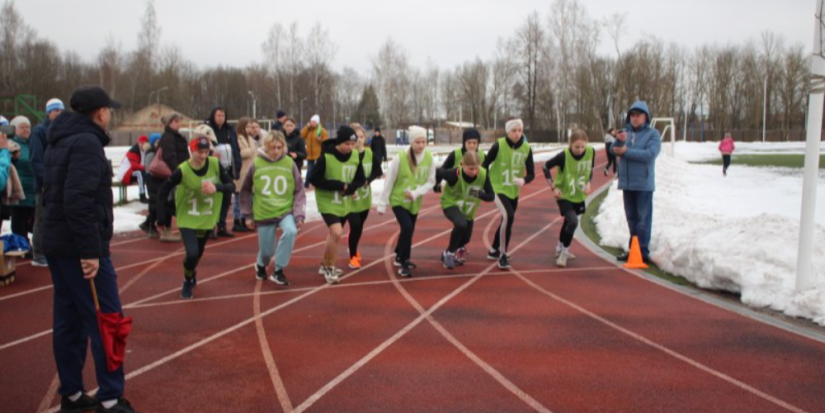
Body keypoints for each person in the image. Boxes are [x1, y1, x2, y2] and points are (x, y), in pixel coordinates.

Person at [42, 85, 140, 413]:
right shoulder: (86, 142)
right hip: (79, 247)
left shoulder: (60, 139)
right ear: (99, 113)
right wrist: (90, 251)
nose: (110, 114)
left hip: (58, 244)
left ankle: (70, 393)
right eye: (108, 110)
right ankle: (111, 398)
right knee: (107, 319)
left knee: (69, 320)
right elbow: (78, 200)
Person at [156, 136, 235, 299]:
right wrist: (161, 218)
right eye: (200, 152)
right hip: (187, 217)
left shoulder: (214, 164)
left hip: (206, 217)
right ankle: (187, 280)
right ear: (191, 151)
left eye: (206, 152)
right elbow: (163, 190)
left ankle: (190, 271)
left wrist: (216, 187)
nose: (203, 156)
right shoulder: (182, 170)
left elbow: (231, 185)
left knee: (197, 254)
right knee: (191, 253)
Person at [240, 131, 306, 286]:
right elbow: (246, 189)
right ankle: (261, 264)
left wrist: (299, 214)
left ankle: (278, 271)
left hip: (285, 210)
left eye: (279, 147)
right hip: (264, 212)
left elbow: (299, 190)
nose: (276, 151)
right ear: (266, 147)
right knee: (267, 252)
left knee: (291, 231)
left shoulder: (289, 163)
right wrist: (248, 214)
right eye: (273, 148)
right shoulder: (256, 164)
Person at [377, 127, 436, 277]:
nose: (421, 145)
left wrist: (416, 193)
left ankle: (398, 254)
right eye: (417, 142)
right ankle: (404, 261)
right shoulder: (400, 157)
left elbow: (431, 182)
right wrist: (382, 203)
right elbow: (389, 181)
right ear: (411, 142)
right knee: (407, 228)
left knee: (408, 230)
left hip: (414, 202)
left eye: (424, 142)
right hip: (398, 200)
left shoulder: (429, 158)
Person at [309, 125, 365, 283]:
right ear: (339, 142)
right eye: (347, 144)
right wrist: (340, 185)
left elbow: (360, 179)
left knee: (334, 235)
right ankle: (329, 267)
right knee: (337, 232)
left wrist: (350, 188)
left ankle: (325, 264)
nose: (350, 147)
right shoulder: (326, 157)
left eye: (352, 144)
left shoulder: (354, 156)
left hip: (343, 202)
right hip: (327, 201)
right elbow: (314, 179)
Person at [610, 100, 661, 264]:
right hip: (627, 183)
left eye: (638, 115)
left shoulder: (653, 134)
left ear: (646, 117)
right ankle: (634, 250)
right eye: (632, 115)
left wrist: (626, 151)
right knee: (631, 219)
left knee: (643, 220)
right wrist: (619, 140)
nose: (634, 118)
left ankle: (643, 251)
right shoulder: (625, 131)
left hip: (643, 184)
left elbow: (650, 154)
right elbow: (614, 150)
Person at [481, 118, 535, 270]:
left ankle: (493, 250)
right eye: (514, 131)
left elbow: (532, 173)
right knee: (509, 216)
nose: (517, 134)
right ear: (508, 132)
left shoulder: (526, 148)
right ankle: (502, 255)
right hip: (497, 187)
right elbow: (484, 165)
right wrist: (484, 184)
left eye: (520, 130)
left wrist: (524, 180)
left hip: (513, 190)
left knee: (507, 220)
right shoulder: (498, 145)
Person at [543, 129, 595, 267]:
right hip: (564, 194)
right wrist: (553, 187)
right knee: (573, 221)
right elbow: (545, 166)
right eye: (577, 146)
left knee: (568, 222)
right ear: (570, 144)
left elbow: (590, 170)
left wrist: (589, 182)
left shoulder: (591, 152)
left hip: (578, 194)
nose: (580, 150)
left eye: (583, 146)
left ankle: (559, 247)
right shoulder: (563, 156)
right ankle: (564, 252)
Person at [437, 151, 494, 270]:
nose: (473, 172)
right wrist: (437, 185)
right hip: (450, 203)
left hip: (468, 210)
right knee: (461, 224)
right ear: (462, 164)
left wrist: (479, 194)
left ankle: (446, 253)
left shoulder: (483, 175)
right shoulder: (454, 174)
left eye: (476, 168)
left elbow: (491, 196)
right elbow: (439, 172)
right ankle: (450, 255)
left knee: (466, 238)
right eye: (470, 168)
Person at [30, 98, 64, 266]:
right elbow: (36, 159)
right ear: (48, 112)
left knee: (58, 217)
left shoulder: (65, 131)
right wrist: (44, 181)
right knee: (42, 218)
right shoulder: (39, 132)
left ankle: (54, 249)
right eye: (55, 110)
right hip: (45, 183)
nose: (58, 113)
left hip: (61, 182)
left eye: (60, 110)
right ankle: (38, 253)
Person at [346, 123, 382, 269]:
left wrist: (368, 180)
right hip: (350, 197)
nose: (359, 140)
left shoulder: (369, 153)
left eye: (361, 137)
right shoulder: (347, 155)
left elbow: (377, 171)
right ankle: (353, 256)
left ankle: (353, 246)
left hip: (365, 197)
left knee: (359, 227)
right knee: (355, 225)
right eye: (356, 137)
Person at [205, 106, 241, 237]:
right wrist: (210, 153)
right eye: (218, 115)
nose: (221, 118)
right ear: (213, 116)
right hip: (211, 168)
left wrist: (237, 164)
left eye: (223, 116)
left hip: (227, 168)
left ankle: (222, 225)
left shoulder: (229, 130)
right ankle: (209, 226)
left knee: (226, 197)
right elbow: (198, 145)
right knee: (212, 198)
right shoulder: (206, 129)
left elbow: (236, 148)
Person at [155, 113, 188, 242]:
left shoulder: (177, 137)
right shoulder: (168, 137)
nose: (178, 124)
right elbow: (169, 156)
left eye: (179, 121)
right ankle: (165, 229)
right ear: (169, 123)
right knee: (170, 201)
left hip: (176, 171)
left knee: (171, 201)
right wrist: (179, 171)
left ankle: (166, 228)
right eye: (175, 121)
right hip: (170, 174)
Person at [9, 116, 37, 257]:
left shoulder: (33, 143)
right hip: (19, 189)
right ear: (14, 129)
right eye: (22, 127)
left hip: (33, 189)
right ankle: (21, 246)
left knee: (33, 219)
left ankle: (33, 245)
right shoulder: (12, 145)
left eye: (28, 127)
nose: (26, 129)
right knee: (19, 219)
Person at [232, 117, 257, 233]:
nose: (249, 129)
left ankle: (244, 218)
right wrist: (250, 151)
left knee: (248, 197)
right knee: (238, 198)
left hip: (250, 171)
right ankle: (237, 220)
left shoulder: (250, 139)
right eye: (247, 127)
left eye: (250, 127)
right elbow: (239, 153)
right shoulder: (237, 138)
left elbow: (254, 153)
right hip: (241, 171)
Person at [140, 133, 162, 238]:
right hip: (152, 180)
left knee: (157, 204)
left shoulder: (159, 152)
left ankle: (149, 223)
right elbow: (149, 168)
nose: (159, 144)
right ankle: (149, 224)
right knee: (155, 204)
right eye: (157, 142)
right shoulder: (151, 153)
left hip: (158, 180)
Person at [301, 114, 328, 189]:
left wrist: (320, 140)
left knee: (319, 170)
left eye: (313, 122)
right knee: (309, 171)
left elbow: (326, 141)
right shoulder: (308, 130)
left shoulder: (321, 130)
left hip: (319, 154)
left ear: (317, 123)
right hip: (310, 155)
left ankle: (319, 183)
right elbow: (302, 135)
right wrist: (306, 127)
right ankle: (306, 184)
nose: (311, 123)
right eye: (311, 121)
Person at [123, 135, 150, 204]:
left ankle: (152, 195)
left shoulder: (146, 151)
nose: (142, 144)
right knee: (139, 173)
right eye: (141, 143)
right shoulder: (133, 151)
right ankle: (142, 196)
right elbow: (134, 166)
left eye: (144, 143)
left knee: (148, 174)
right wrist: (146, 168)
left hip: (137, 171)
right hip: (127, 172)